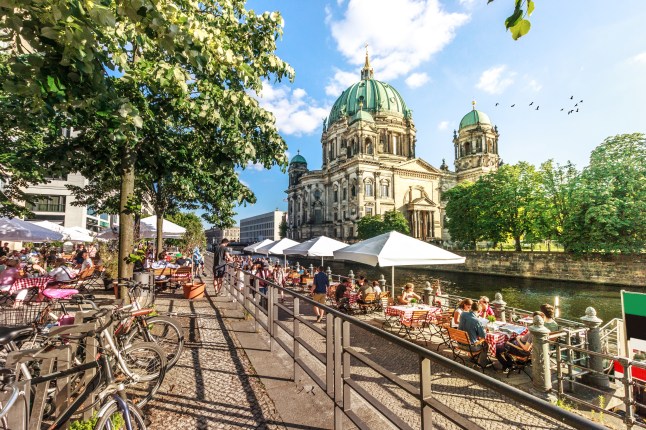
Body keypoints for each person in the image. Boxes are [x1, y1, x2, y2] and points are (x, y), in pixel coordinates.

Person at [458, 301, 488, 366]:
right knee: (486, 344)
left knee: (475, 338)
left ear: (471, 307)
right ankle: (481, 363)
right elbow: (483, 336)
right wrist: (485, 330)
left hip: (459, 343)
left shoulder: (463, 314)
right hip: (470, 347)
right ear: (479, 311)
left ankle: (475, 358)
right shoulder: (477, 321)